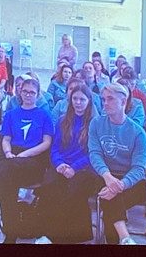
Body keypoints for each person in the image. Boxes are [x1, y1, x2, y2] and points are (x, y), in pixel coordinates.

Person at [36, 83, 103, 243]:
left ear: (89, 101)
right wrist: (59, 164)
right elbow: (55, 148)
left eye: (82, 99)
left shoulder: (96, 123)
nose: (78, 103)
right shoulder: (62, 121)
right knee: (49, 187)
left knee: (72, 190)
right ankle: (46, 232)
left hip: (85, 169)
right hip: (61, 166)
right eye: (75, 99)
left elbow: (93, 153)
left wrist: (74, 168)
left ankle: (62, 237)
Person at [0, 78, 54, 243]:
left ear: (38, 95)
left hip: (35, 159)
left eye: (32, 92)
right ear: (20, 92)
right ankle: (11, 231)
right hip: (13, 157)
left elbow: (47, 143)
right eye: (25, 91)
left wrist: (24, 155)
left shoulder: (44, 115)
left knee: (5, 174)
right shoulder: (11, 114)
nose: (28, 95)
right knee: (7, 183)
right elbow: (5, 139)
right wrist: (8, 152)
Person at [89, 83, 146, 245]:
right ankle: (125, 238)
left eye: (110, 99)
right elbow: (95, 154)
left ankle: (123, 239)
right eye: (103, 99)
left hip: (132, 182)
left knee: (111, 199)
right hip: (105, 176)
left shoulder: (138, 132)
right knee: (110, 198)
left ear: (123, 102)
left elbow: (139, 168)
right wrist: (108, 177)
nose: (105, 103)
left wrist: (120, 185)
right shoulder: (96, 123)